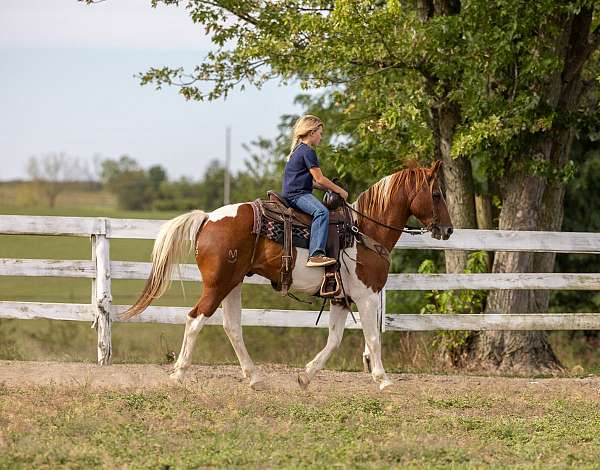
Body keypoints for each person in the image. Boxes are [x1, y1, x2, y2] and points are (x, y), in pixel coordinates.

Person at [281, 115, 348, 267]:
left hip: (293, 192)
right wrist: (340, 191)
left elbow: (311, 181)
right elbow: (320, 179)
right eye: (320, 133)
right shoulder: (308, 151)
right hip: (297, 195)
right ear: (312, 132)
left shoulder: (297, 150)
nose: (321, 137)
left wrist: (328, 188)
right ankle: (316, 254)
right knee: (322, 212)